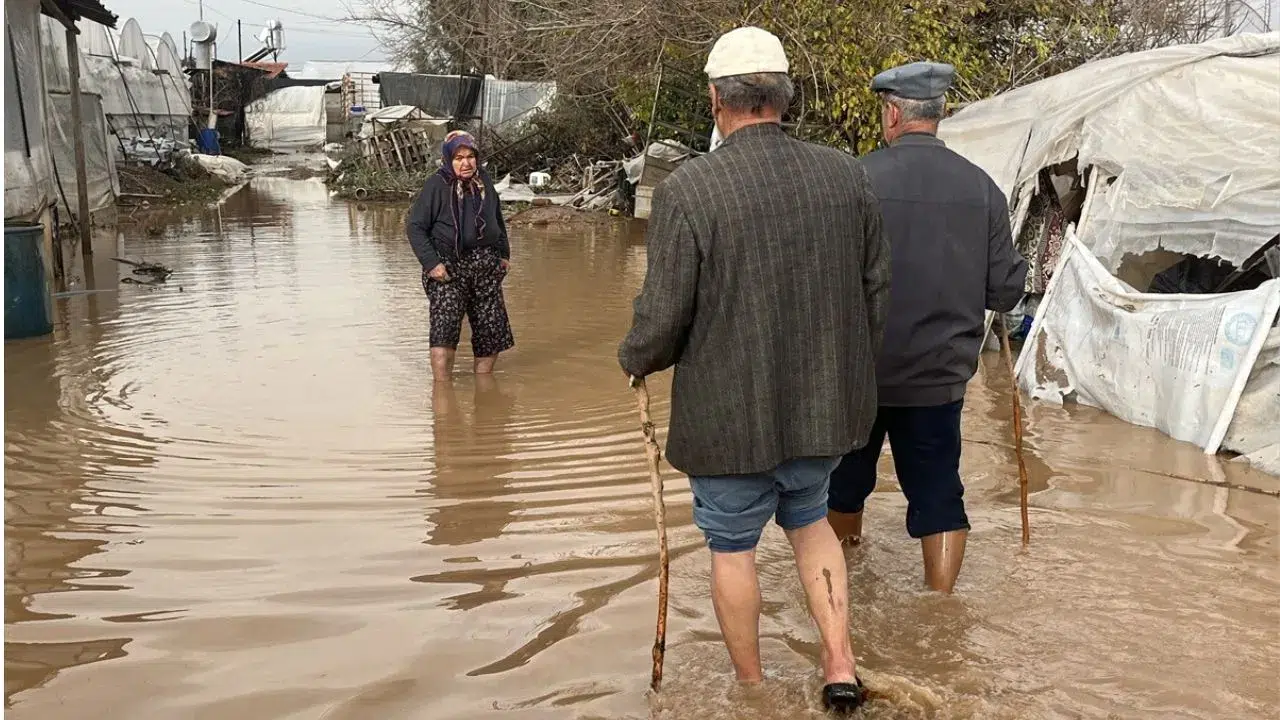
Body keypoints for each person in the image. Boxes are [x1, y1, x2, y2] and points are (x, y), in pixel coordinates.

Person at [618, 26, 891, 714]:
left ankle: (754, 693)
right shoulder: (845, 174)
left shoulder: (691, 189)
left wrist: (636, 358)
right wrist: (844, 370)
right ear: (784, 97)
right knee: (812, 526)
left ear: (717, 99)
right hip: (823, 411)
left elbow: (664, 314)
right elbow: (875, 293)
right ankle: (839, 663)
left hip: (728, 421)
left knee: (733, 549)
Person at [826, 62, 1028, 594]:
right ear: (941, 115)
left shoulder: (854, 179)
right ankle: (940, 609)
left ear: (893, 112)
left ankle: (842, 591)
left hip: (858, 377)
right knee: (939, 494)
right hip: (937, 381)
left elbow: (823, 280)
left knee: (842, 490)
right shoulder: (983, 190)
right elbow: (1005, 293)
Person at [406, 131, 515, 382]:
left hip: (486, 266)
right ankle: (442, 396)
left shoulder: (483, 181)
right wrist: (432, 264)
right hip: (448, 268)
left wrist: (504, 254)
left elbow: (496, 217)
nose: (466, 163)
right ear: (448, 159)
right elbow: (415, 227)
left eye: (470, 157)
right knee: (444, 333)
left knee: (490, 332)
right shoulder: (437, 185)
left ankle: (484, 390)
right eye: (458, 157)